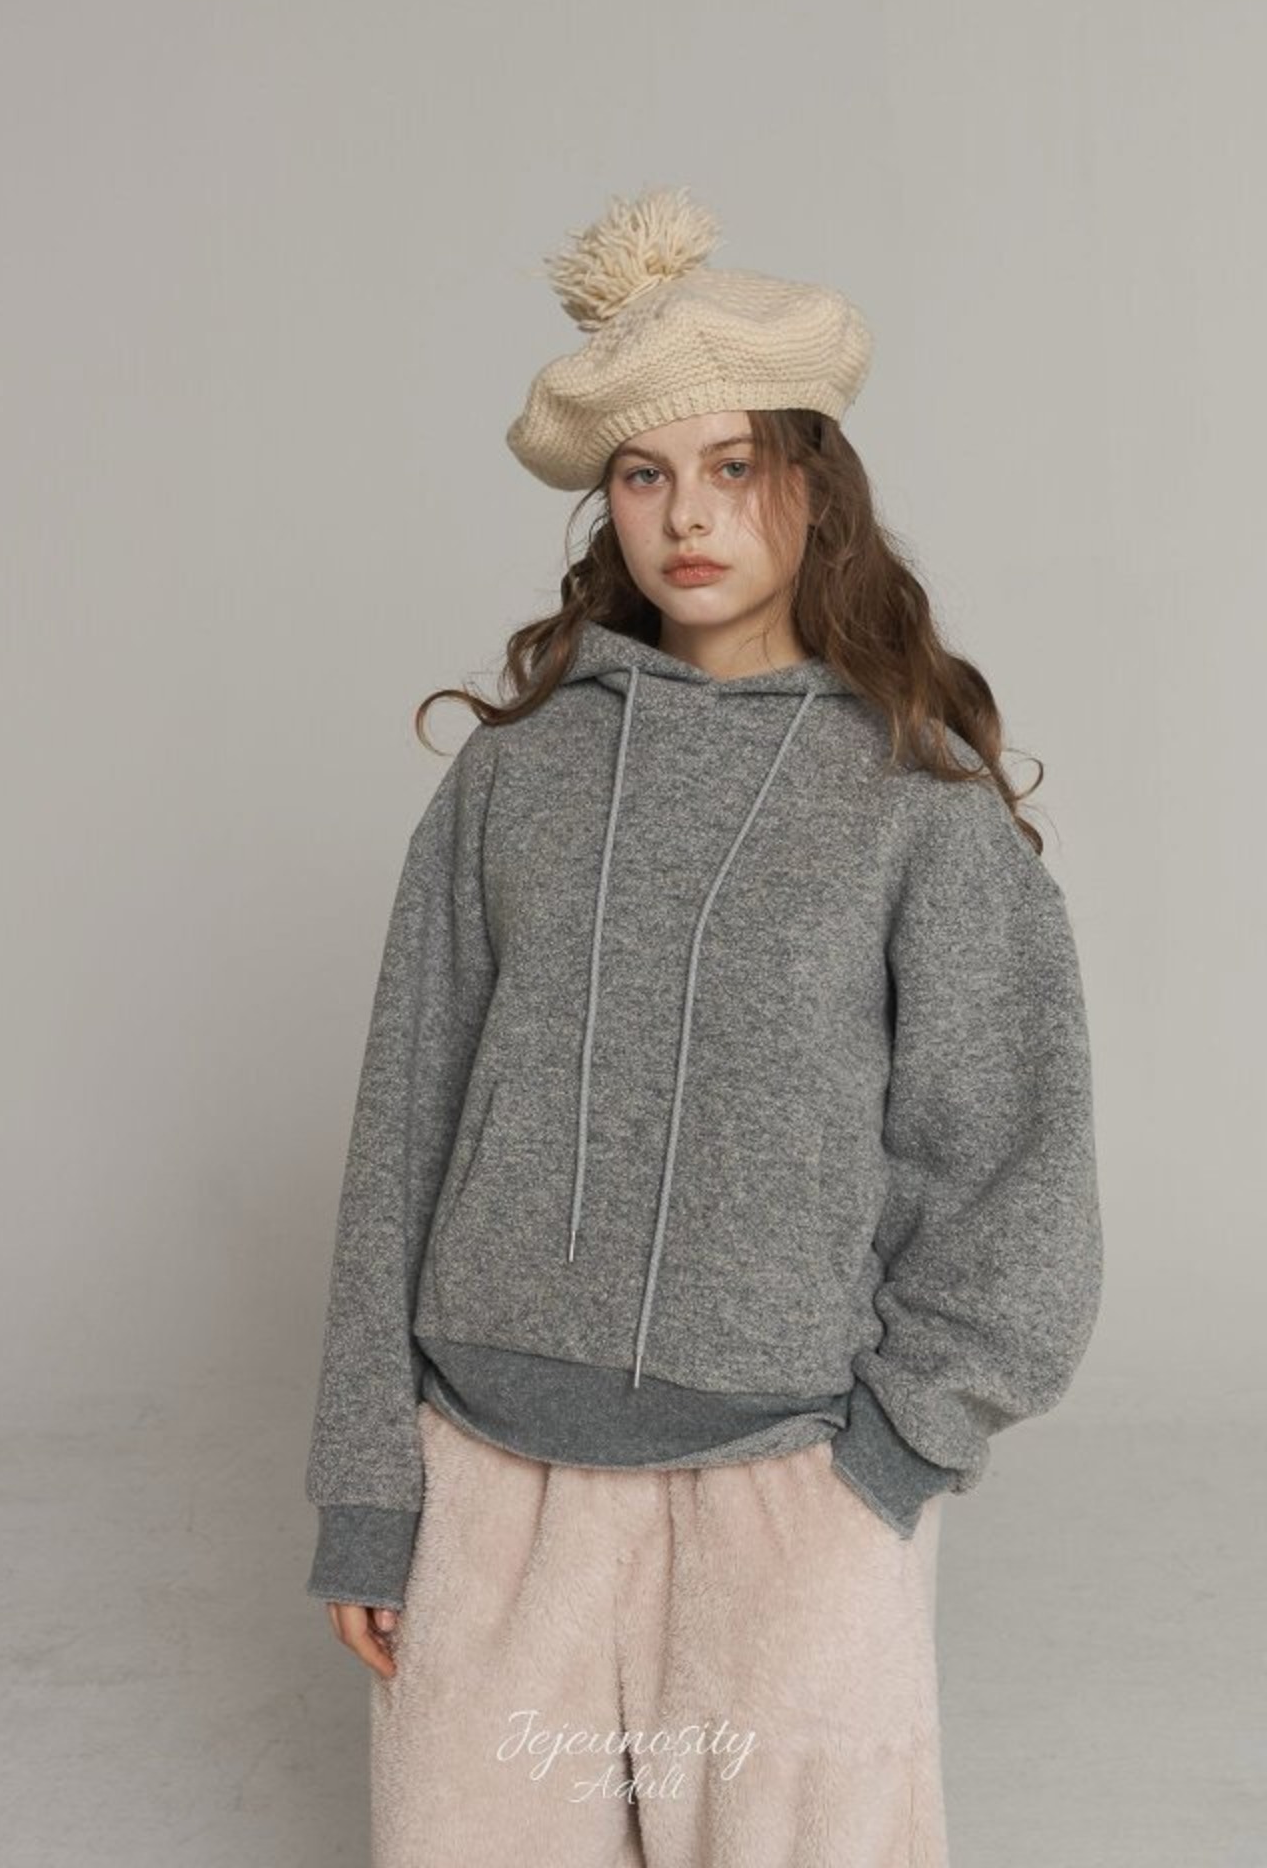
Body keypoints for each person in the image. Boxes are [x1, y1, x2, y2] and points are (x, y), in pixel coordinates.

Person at [303, 184, 1103, 1868]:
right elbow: (400, 1138)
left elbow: (1014, 1164)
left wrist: (898, 1450)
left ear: (818, 488)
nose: (688, 516)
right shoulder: (512, 783)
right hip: (491, 1482)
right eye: (644, 474)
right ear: (607, 504)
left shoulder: (914, 804)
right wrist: (371, 1493)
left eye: (734, 466)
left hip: (791, 1489)